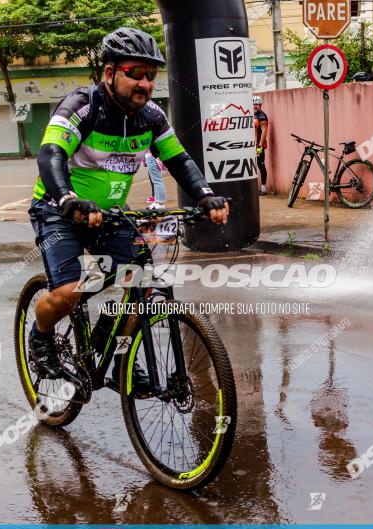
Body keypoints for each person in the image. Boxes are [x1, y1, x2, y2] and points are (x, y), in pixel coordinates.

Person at [27, 27, 229, 388]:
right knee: (72, 289)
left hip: (111, 215)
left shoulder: (151, 117)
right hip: (58, 209)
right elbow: (51, 154)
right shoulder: (81, 106)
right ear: (110, 73)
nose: (145, 83)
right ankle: (41, 339)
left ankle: (116, 350)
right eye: (135, 73)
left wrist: (204, 194)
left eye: (151, 76)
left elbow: (179, 160)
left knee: (145, 288)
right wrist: (68, 199)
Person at [253, 95, 269, 195]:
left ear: (261, 105)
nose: (255, 106)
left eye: (257, 104)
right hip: (250, 145)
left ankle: (263, 189)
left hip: (259, 146)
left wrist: (259, 147)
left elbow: (264, 132)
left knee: (260, 165)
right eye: (254, 104)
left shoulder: (262, 116)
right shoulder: (251, 115)